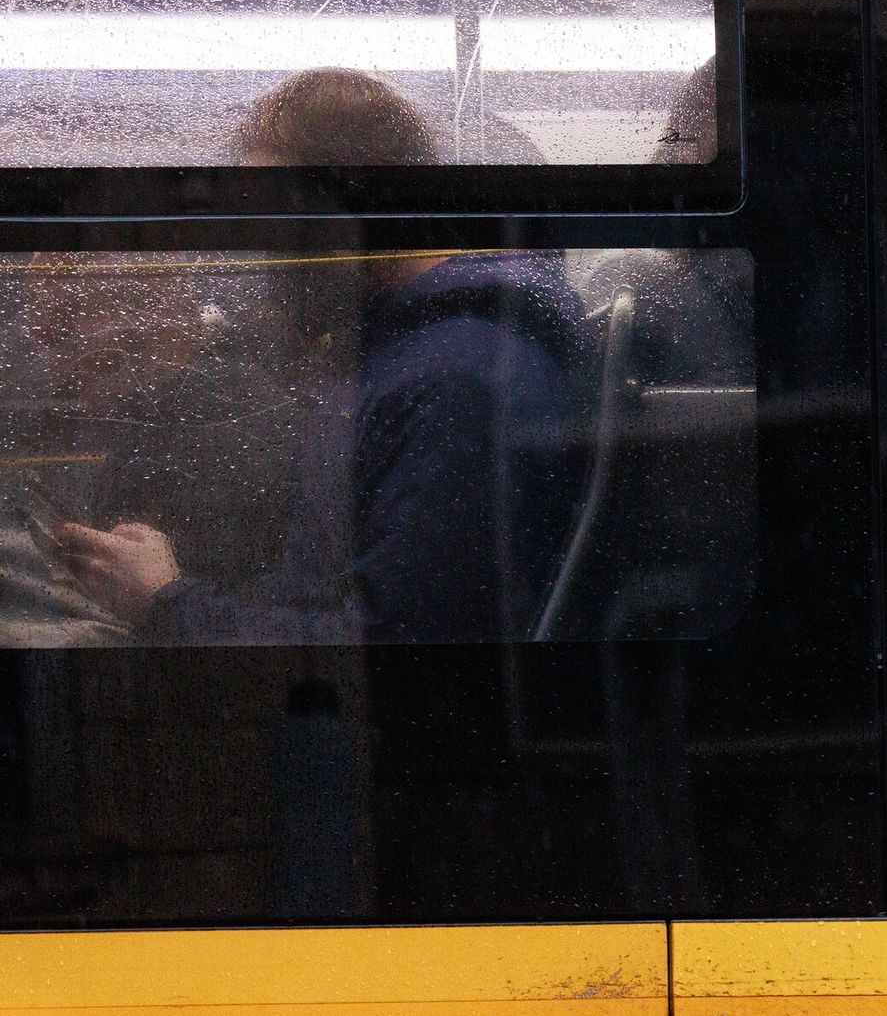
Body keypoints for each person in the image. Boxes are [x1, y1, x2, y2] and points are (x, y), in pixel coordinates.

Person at [54, 68, 587, 643]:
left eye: (277, 221)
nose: (266, 255)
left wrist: (166, 601)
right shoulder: (386, 356)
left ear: (355, 204)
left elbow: (399, 646)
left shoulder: (462, 380)